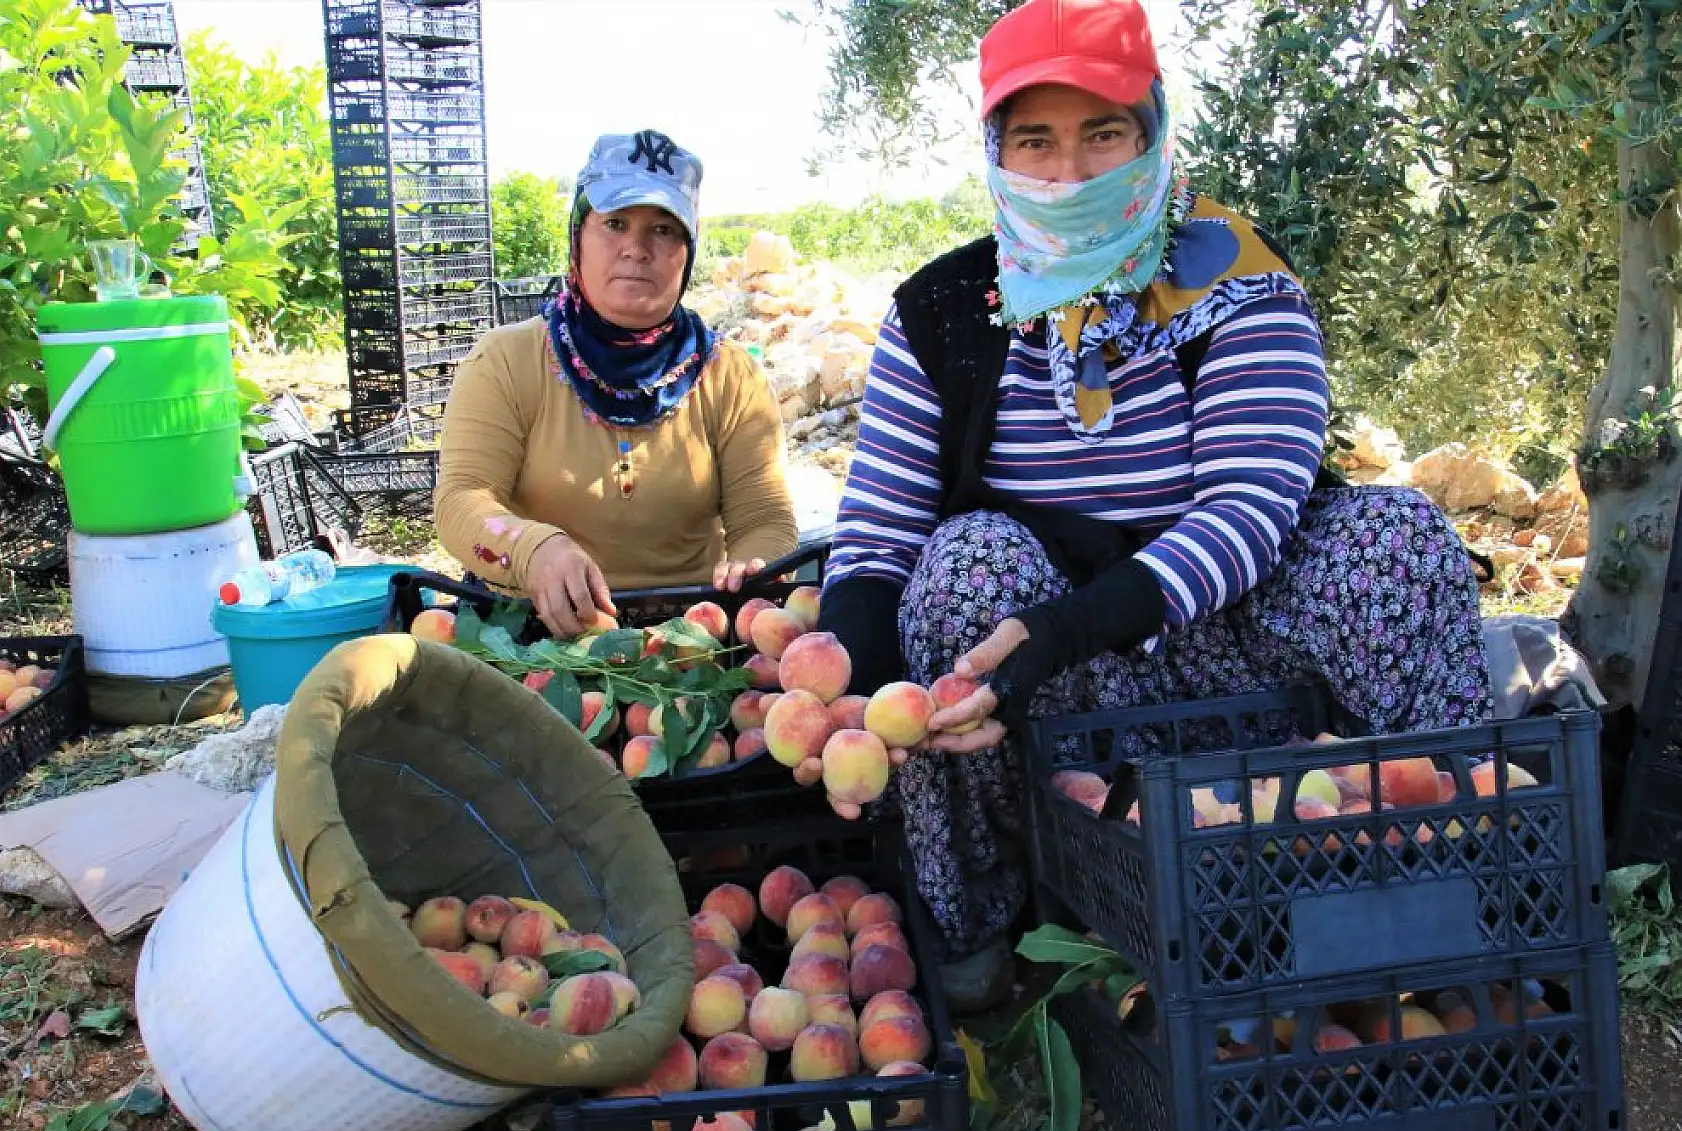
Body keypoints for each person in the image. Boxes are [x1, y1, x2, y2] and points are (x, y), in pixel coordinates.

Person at [816, 0, 1493, 1010]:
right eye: (1035, 142)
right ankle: (1000, 921)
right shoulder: (939, 312)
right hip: (1050, 691)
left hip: (1235, 647)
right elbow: (876, 539)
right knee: (961, 568)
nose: (1070, 173)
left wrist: (1063, 628)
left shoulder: (1238, 283)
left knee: (1396, 540)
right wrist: (853, 701)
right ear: (995, 150)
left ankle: (1431, 877)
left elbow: (1250, 508)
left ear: (1152, 130)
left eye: (1102, 134)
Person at [436, 130, 797, 638]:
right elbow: (460, 499)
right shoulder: (505, 361)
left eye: (664, 230)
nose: (637, 249)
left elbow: (765, 518)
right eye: (615, 223)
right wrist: (534, 551)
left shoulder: (731, 375)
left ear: (688, 250)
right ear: (578, 236)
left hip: (691, 641)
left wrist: (751, 570)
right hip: (533, 635)